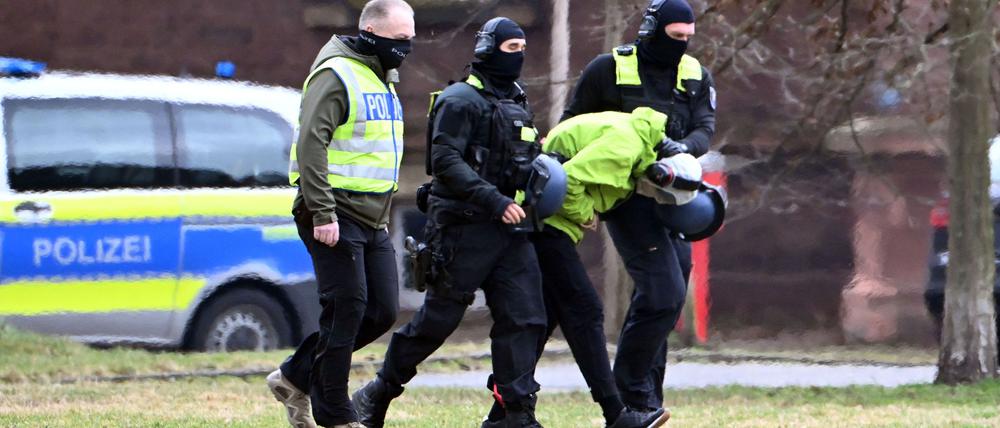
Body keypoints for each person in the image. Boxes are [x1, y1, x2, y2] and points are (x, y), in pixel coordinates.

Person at [351, 17, 548, 428]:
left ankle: (515, 414)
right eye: (511, 48)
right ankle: (378, 392)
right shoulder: (459, 100)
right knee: (438, 320)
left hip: (511, 229)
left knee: (526, 317)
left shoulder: (516, 100)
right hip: (463, 227)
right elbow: (444, 161)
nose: (519, 56)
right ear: (487, 50)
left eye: (522, 49)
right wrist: (493, 199)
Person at [481, 108, 699, 428]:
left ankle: (503, 414)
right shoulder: (624, 149)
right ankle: (616, 413)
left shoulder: (639, 143)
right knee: (585, 311)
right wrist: (586, 213)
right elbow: (569, 182)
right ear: (659, 173)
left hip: (548, 220)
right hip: (545, 221)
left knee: (542, 320)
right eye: (660, 195)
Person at [560, 0, 717, 413]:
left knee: (665, 297)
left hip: (674, 196)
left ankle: (648, 400)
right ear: (652, 30)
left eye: (688, 38)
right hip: (624, 197)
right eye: (674, 36)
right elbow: (570, 128)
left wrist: (680, 151)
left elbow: (705, 128)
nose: (681, 45)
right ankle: (630, 391)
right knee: (663, 293)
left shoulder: (695, 74)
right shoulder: (607, 69)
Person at [265, 1, 415, 427]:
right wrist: (322, 212)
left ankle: (294, 376)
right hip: (333, 211)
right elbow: (311, 145)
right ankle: (336, 414)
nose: (406, 48)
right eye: (399, 39)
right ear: (371, 32)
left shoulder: (381, 75)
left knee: (380, 311)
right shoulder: (336, 75)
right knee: (346, 307)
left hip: (373, 217)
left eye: (410, 39)